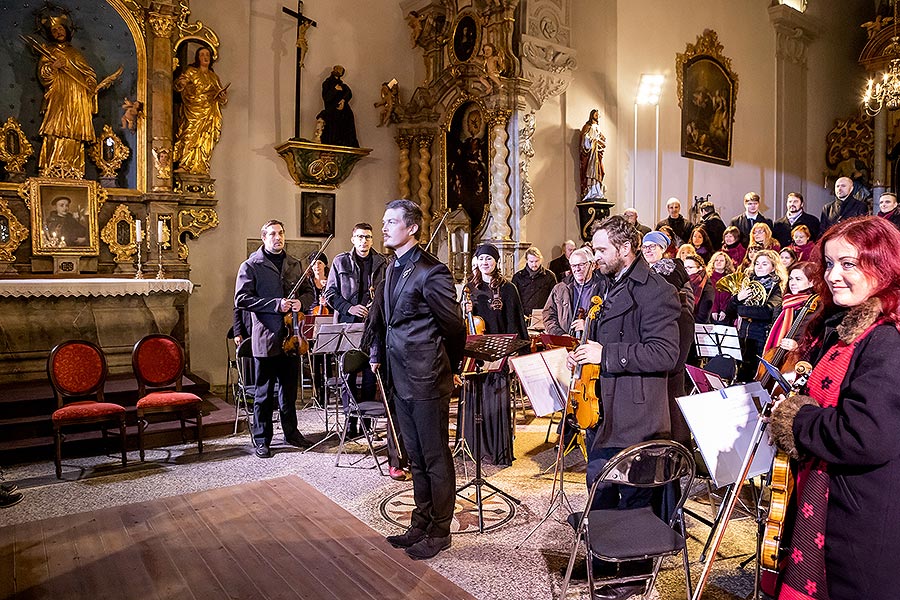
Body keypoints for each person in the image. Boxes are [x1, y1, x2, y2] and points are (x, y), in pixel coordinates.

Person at [769, 216, 900, 600]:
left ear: (883, 265)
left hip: (864, 518)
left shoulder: (887, 340)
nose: (832, 275)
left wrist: (797, 417)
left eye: (848, 263)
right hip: (838, 500)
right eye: (828, 263)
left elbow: (864, 434)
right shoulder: (848, 326)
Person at [566, 215, 680, 600]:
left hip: (636, 411)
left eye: (600, 250)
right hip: (602, 407)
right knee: (598, 486)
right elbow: (602, 339)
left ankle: (633, 571)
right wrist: (584, 356)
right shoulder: (607, 283)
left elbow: (666, 353)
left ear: (624, 248)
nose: (595, 257)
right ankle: (604, 558)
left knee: (632, 495)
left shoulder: (657, 291)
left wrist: (607, 354)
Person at [367, 199, 466, 560]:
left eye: (391, 221)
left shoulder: (431, 271)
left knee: (435, 456)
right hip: (399, 375)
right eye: (384, 220)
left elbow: (454, 328)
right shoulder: (391, 268)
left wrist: (447, 366)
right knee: (415, 457)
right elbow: (387, 321)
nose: (384, 227)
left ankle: (441, 530)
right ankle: (421, 521)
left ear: (411, 228)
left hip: (426, 377)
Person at [235, 220, 314, 458]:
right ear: (263, 237)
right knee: (263, 393)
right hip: (266, 337)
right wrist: (275, 305)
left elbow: (310, 293)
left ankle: (291, 433)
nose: (277, 237)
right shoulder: (251, 266)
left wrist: (303, 302)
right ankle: (262, 439)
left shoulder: (294, 264)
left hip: (292, 337)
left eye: (280, 233)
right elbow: (241, 299)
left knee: (289, 390)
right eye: (272, 234)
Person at [324, 223, 393, 461]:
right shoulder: (340, 262)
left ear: (373, 240)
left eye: (368, 237)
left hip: (373, 325)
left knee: (371, 374)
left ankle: (365, 422)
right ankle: (350, 421)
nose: (364, 241)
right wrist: (350, 307)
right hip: (349, 323)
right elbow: (330, 294)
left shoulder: (382, 262)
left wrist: (375, 308)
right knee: (348, 377)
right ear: (353, 239)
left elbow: (387, 292)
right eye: (360, 237)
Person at [462, 244, 527, 466]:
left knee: (496, 402)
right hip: (477, 353)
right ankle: (475, 449)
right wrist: (465, 311)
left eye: (489, 259)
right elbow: (464, 326)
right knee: (476, 401)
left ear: (496, 262)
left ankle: (497, 452)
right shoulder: (470, 288)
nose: (485, 263)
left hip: (500, 352)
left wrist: (512, 355)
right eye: (481, 259)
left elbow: (515, 323)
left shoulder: (508, 289)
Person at [31, 13, 105, 175]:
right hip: (58, 96)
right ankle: (50, 168)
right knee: (55, 131)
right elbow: (43, 74)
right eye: (54, 30)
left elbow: (89, 74)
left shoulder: (76, 53)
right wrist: (53, 67)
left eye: (60, 28)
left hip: (77, 98)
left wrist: (90, 85)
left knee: (74, 135)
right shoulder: (48, 52)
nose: (58, 32)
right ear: (51, 34)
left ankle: (74, 170)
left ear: (66, 30)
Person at [728, 249, 785, 382]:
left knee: (753, 376)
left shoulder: (776, 287)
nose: (759, 267)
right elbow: (729, 311)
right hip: (743, 336)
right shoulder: (746, 284)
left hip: (760, 338)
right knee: (740, 374)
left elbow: (767, 312)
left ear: (773, 268)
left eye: (764, 264)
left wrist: (741, 309)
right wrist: (737, 298)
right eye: (757, 263)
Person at [173, 46, 227, 174]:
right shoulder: (191, 71)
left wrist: (222, 97)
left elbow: (220, 96)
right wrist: (182, 83)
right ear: (198, 57)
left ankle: (201, 163)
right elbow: (179, 85)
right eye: (202, 54)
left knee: (205, 138)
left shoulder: (213, 77)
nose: (205, 57)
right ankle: (185, 164)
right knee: (189, 134)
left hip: (209, 112)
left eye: (207, 55)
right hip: (193, 110)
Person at [761, 261, 818, 361]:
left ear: (811, 282)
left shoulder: (817, 306)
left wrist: (799, 347)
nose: (792, 283)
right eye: (791, 279)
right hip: (778, 357)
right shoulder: (784, 303)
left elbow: (816, 340)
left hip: (798, 360)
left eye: (798, 279)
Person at [543, 247, 604, 337]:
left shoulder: (603, 288)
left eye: (581, 265)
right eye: (573, 265)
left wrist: (589, 327)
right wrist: (560, 334)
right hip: (566, 343)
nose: (577, 269)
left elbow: (610, 321)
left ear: (592, 265)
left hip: (593, 343)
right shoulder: (560, 288)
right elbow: (549, 316)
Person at [319, 65, 359, 147]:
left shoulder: (343, 85)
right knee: (334, 122)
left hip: (344, 111)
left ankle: (348, 142)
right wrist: (334, 90)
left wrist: (343, 100)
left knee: (348, 116)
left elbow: (348, 93)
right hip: (332, 110)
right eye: (337, 69)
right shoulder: (327, 83)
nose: (338, 72)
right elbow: (326, 98)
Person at [511, 246, 557, 316]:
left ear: (541, 260)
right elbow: (513, 299)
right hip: (523, 316)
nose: (534, 264)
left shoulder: (549, 276)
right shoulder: (518, 277)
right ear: (526, 260)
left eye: (536, 261)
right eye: (531, 261)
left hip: (543, 314)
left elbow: (555, 297)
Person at [580, 109, 606, 199]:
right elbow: (584, 138)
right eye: (595, 115)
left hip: (597, 152)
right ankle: (591, 190)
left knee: (600, 171)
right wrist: (591, 140)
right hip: (591, 154)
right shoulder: (588, 126)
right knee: (591, 171)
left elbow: (603, 139)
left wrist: (600, 141)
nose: (597, 116)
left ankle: (597, 190)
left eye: (597, 115)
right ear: (592, 115)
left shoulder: (598, 127)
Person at [707, 250, 737, 325]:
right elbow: (708, 296)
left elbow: (731, 297)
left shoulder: (731, 279)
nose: (718, 262)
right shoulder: (707, 278)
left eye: (721, 260)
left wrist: (724, 310)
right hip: (710, 313)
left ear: (726, 263)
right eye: (716, 260)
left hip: (726, 314)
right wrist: (713, 310)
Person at [683, 254, 714, 324]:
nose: (686, 270)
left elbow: (704, 314)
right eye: (684, 268)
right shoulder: (683, 282)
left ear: (700, 268)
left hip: (697, 325)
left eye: (690, 267)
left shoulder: (707, 286)